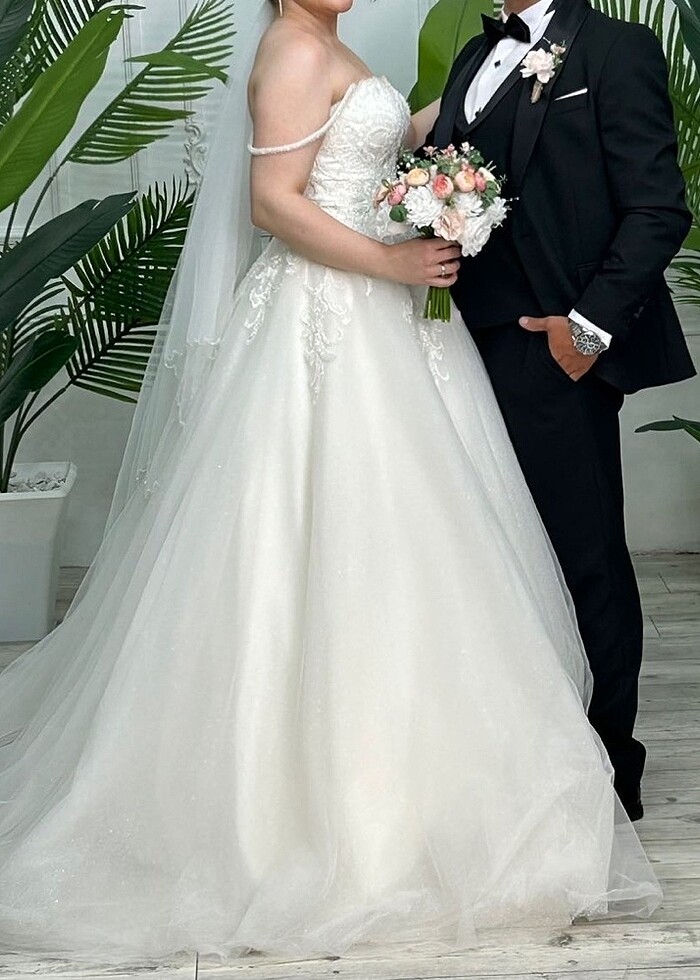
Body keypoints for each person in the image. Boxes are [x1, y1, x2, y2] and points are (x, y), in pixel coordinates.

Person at [0, 0, 662, 964]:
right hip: (331, 317)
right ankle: (310, 796)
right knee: (320, 531)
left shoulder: (356, 48)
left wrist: (449, 176)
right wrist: (392, 260)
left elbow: (415, 141)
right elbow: (274, 203)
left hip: (407, 326)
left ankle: (527, 765)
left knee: (437, 544)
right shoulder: (290, 48)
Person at [425, 0, 695, 824]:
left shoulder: (616, 49)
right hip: (454, 351)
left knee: (584, 558)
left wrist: (585, 332)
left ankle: (610, 774)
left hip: (553, 347)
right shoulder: (471, 59)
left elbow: (658, 207)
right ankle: (516, 760)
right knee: (486, 558)